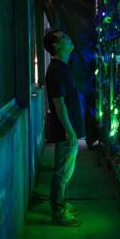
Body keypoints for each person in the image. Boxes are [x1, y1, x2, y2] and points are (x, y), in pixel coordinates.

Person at [44, 30, 85, 227]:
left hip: (67, 129)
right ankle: (58, 213)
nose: (69, 37)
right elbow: (59, 103)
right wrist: (69, 129)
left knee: (65, 171)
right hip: (64, 130)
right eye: (63, 37)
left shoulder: (62, 67)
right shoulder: (56, 70)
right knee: (61, 172)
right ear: (56, 46)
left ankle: (61, 205)